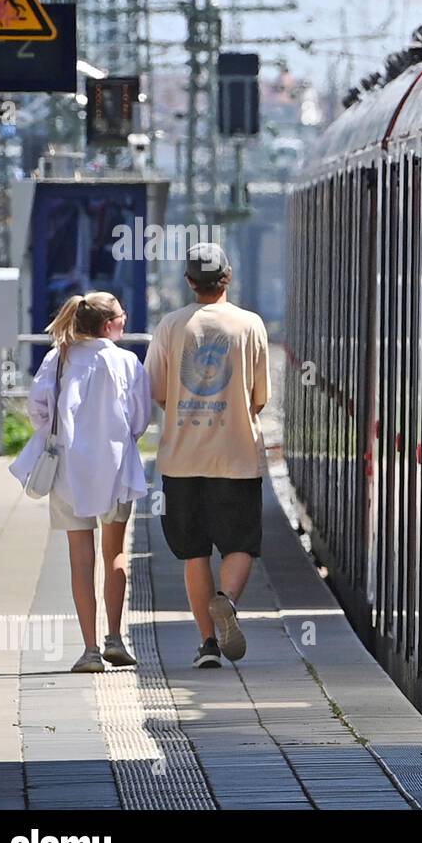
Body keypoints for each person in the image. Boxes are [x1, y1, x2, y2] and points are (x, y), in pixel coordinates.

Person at [10, 292, 151, 673]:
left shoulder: (59, 357)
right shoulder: (127, 362)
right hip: (118, 469)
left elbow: (38, 408)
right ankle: (115, 638)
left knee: (80, 559)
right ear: (108, 325)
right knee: (115, 554)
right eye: (122, 316)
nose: (125, 320)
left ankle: (89, 649)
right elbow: (140, 419)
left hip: (68, 472)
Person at [145, 243, 270, 669]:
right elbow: (260, 398)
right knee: (240, 545)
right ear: (228, 278)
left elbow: (157, 391)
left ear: (188, 282)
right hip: (235, 457)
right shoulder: (250, 325)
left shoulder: (170, 325)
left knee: (193, 552)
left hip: (182, 460)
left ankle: (208, 645)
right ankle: (227, 601)